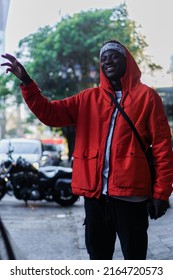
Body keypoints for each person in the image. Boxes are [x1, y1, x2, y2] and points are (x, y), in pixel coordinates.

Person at [1, 40, 173, 260]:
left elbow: (162, 146)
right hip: (96, 198)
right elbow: (49, 113)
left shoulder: (147, 97)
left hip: (132, 198)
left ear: (127, 61)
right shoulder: (87, 98)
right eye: (103, 58)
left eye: (113, 56)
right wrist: (27, 82)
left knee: (135, 258)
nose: (107, 60)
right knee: (97, 259)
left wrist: (161, 193)